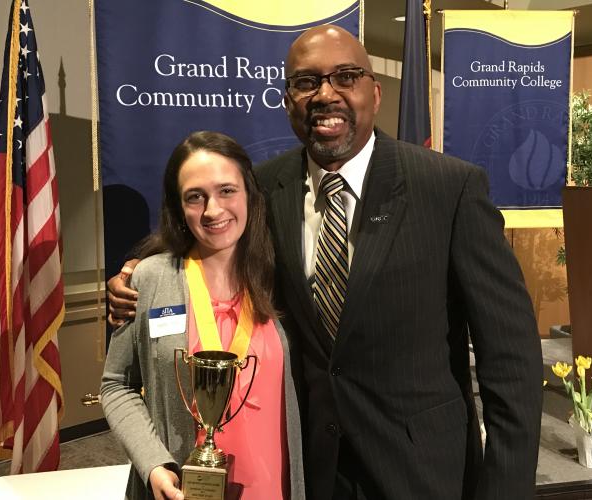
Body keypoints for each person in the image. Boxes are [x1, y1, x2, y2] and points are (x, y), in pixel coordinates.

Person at [109, 26, 543, 500]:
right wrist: (135, 274)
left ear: (374, 93)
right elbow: (207, 237)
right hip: (310, 469)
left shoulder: (449, 189)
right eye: (306, 82)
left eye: (346, 76)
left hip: (422, 472)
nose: (326, 94)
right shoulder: (265, 189)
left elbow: (511, 362)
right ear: (287, 100)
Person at [100, 131, 304, 500]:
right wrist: (153, 464)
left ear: (250, 195)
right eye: (195, 197)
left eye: (227, 190)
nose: (213, 210)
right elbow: (115, 384)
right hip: (179, 487)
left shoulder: (284, 279)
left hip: (272, 484)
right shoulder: (148, 279)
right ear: (179, 208)